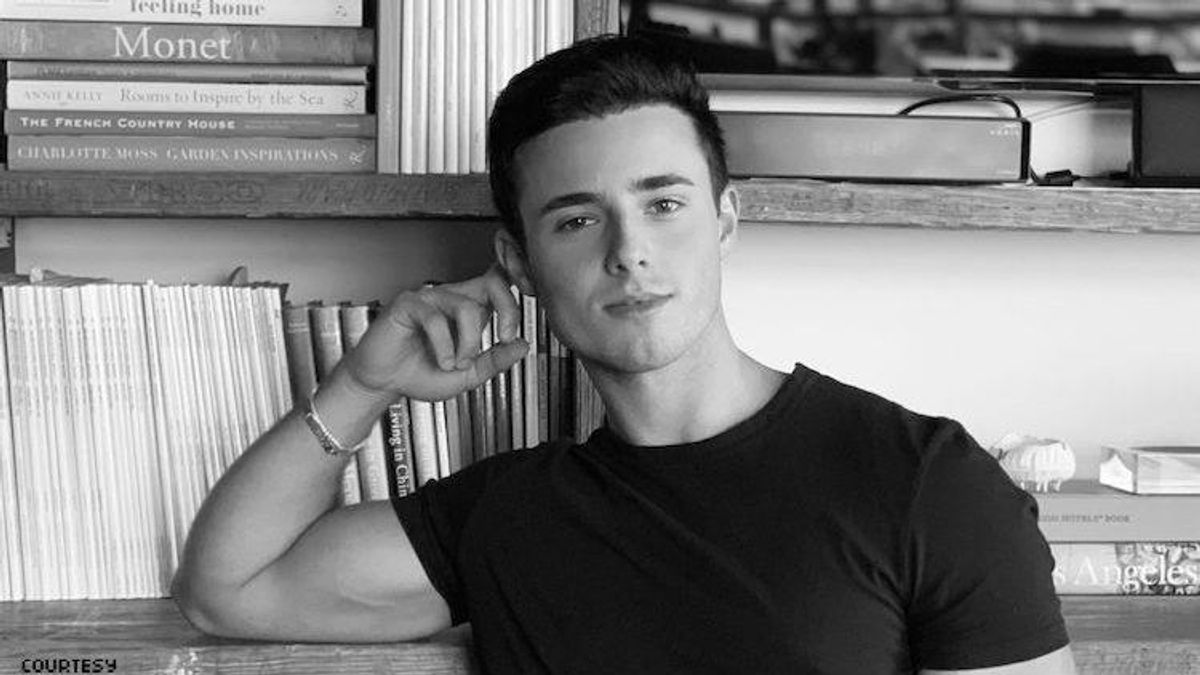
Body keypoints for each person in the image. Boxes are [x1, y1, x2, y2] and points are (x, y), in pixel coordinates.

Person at [172, 36, 1077, 675]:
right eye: (577, 219)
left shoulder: (926, 483)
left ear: (725, 221)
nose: (628, 251)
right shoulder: (509, 516)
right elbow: (226, 588)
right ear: (520, 263)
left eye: (664, 204)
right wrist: (362, 383)